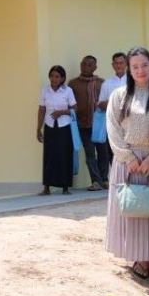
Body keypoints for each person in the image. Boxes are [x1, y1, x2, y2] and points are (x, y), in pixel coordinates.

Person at [106, 47, 149, 284]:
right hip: (127, 163)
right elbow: (113, 128)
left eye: (145, 65)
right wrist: (128, 158)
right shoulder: (119, 95)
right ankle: (139, 258)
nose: (141, 70)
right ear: (129, 70)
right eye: (135, 66)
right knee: (134, 210)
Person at [37, 65, 77, 195]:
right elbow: (42, 109)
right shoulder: (45, 90)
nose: (54, 79)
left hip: (64, 127)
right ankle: (47, 187)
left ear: (62, 78)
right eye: (52, 76)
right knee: (49, 156)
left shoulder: (68, 91)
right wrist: (38, 128)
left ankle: (65, 187)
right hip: (49, 126)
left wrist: (61, 112)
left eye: (57, 76)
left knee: (64, 156)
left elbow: (75, 109)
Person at [71, 55, 109, 190]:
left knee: (103, 153)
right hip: (83, 124)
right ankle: (96, 181)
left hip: (100, 124)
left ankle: (104, 179)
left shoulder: (102, 83)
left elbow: (108, 101)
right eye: (83, 64)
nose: (85, 67)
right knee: (90, 154)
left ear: (95, 67)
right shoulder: (73, 84)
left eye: (89, 65)